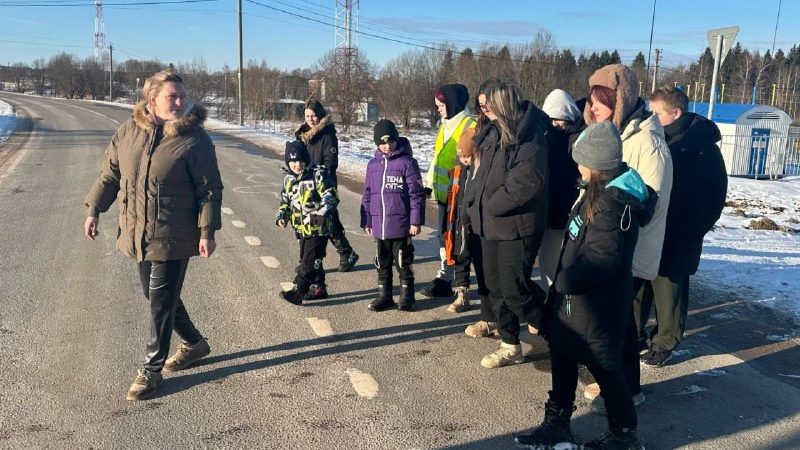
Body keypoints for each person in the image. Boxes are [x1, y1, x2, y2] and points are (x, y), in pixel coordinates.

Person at [84, 69, 223, 401]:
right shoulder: (129, 131)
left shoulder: (195, 139)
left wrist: (207, 231)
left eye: (182, 96)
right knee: (154, 293)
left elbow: (209, 190)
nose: (179, 102)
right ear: (151, 100)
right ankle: (194, 344)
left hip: (175, 233)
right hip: (137, 232)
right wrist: (93, 209)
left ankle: (151, 369)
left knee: (160, 302)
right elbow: (110, 175)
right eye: (171, 97)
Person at [515, 122, 655, 450]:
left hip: (597, 305)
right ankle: (558, 422)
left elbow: (603, 258)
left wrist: (565, 280)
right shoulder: (596, 192)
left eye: (581, 161)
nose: (577, 166)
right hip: (574, 302)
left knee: (604, 367)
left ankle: (624, 435)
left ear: (596, 164)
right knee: (562, 353)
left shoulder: (612, 202)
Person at [583, 63, 673, 414]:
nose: (592, 111)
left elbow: (650, 202)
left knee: (621, 322)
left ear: (619, 102)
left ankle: (627, 390)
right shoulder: (615, 133)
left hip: (628, 247)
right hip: (610, 240)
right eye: (590, 103)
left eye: (599, 104)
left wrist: (609, 202)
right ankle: (614, 380)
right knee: (612, 319)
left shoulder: (647, 143)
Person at [637, 86, 728, 366]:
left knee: (669, 293)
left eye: (656, 113)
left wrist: (690, 231)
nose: (649, 118)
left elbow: (713, 196)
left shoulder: (701, 147)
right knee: (639, 286)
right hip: (649, 228)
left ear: (676, 113)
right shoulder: (651, 140)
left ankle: (665, 341)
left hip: (678, 233)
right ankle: (633, 334)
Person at [466, 80, 549, 369]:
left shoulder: (529, 136)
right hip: (489, 224)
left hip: (517, 227)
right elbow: (479, 176)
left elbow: (524, 184)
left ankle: (561, 333)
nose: (483, 109)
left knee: (516, 289)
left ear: (502, 103)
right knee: (494, 287)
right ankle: (510, 343)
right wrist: (472, 205)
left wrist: (487, 205)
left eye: (487, 104)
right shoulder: (490, 132)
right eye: (480, 105)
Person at [361, 119, 426, 312]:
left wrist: (415, 220)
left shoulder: (407, 163)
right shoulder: (373, 165)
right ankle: (385, 295)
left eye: (390, 141)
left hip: (400, 224)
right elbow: (367, 194)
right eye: (382, 143)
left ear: (397, 140)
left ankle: (407, 296)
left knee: (402, 261)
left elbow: (416, 194)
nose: (387, 146)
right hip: (380, 225)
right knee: (382, 262)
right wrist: (367, 219)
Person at [421, 84, 475, 299]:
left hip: (461, 195)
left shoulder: (470, 124)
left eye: (441, 105)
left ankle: (453, 279)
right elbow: (437, 158)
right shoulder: (445, 124)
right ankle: (445, 276)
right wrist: (428, 184)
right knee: (445, 237)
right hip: (445, 194)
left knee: (458, 239)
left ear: (452, 104)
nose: (438, 109)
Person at [295, 99, 359, 272]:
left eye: (314, 115)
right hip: (306, 184)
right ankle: (346, 253)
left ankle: (337, 255)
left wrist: (319, 176)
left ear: (320, 115)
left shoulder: (327, 134)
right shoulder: (303, 133)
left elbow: (331, 162)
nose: (310, 119)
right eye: (307, 116)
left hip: (324, 183)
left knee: (325, 221)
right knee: (325, 221)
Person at [276, 141, 339, 305]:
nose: (297, 165)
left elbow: (331, 195)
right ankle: (319, 288)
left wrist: (322, 211)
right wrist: (282, 215)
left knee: (309, 262)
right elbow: (285, 201)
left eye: (301, 161)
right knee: (309, 258)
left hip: (318, 227)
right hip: (301, 228)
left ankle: (299, 290)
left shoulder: (318, 175)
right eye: (293, 162)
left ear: (307, 160)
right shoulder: (289, 180)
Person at [539, 88, 585, 284]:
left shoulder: (582, 137)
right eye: (552, 119)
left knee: (569, 262)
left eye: (561, 119)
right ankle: (551, 302)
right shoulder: (544, 136)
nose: (556, 123)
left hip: (573, 209)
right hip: (549, 211)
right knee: (548, 263)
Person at [442, 127, 489, 315]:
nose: (465, 160)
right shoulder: (457, 171)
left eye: (468, 157)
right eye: (462, 157)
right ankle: (462, 292)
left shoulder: (484, 170)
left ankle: (487, 295)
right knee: (460, 258)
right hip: (459, 222)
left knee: (481, 260)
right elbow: (452, 196)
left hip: (478, 223)